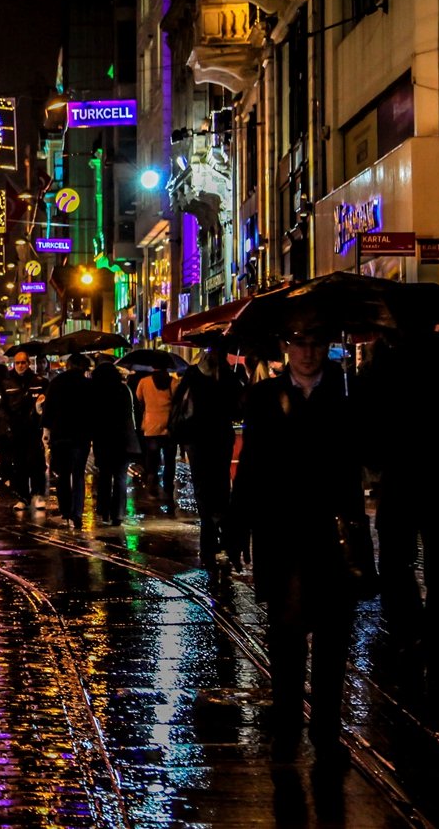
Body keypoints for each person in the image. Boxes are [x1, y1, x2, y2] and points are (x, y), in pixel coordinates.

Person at [230, 317, 367, 761]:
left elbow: (364, 454)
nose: (308, 352)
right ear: (286, 346)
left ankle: (326, 730)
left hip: (332, 530)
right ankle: (288, 721)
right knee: (286, 633)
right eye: (299, 342)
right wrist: (237, 525)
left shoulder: (347, 394)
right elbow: (251, 464)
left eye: (317, 342)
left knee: (333, 634)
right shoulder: (266, 397)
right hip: (281, 529)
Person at [362, 329, 439, 668]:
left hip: (402, 478)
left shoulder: (381, 368)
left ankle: (407, 628)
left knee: (397, 561)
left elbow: (370, 425)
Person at [170, 344, 244, 569]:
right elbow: (237, 410)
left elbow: (179, 405)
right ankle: (221, 531)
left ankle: (209, 541)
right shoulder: (228, 378)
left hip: (197, 440)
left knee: (203, 489)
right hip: (219, 438)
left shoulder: (193, 375)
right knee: (221, 487)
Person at [42, 353, 95, 528]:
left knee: (63, 474)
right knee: (78, 474)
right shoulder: (88, 385)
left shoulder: (56, 383)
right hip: (81, 436)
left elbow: (48, 409)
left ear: (68, 365)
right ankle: (77, 513)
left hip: (60, 435)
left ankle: (65, 510)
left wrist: (46, 430)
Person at [91, 359, 140, 526]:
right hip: (123, 440)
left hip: (104, 439)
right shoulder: (124, 390)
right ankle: (118, 513)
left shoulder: (96, 391)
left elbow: (94, 418)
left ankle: (104, 511)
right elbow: (133, 415)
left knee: (104, 475)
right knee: (120, 477)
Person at [0, 351, 46, 508]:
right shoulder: (6, 383)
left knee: (36, 463)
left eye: (23, 362)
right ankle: (23, 496)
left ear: (28, 363)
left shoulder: (39, 381)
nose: (20, 366)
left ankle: (37, 495)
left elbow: (47, 404)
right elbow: (2, 407)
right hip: (16, 429)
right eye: (17, 363)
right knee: (19, 464)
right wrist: (7, 425)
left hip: (34, 428)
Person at [135, 365, 178, 513]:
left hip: (151, 426)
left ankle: (152, 481)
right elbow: (177, 402)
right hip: (169, 427)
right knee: (170, 459)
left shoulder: (144, 382)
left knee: (152, 457)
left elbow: (139, 399)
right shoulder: (173, 382)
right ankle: (168, 488)